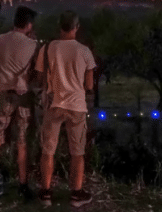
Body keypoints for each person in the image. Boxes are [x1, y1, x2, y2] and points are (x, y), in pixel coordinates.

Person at [0, 6, 39, 203]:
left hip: (2, 94)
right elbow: (34, 72)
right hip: (23, 96)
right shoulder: (33, 44)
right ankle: (23, 185)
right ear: (29, 24)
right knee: (22, 142)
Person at [35, 11, 95, 207]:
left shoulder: (47, 48)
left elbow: (41, 79)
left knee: (48, 151)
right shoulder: (85, 51)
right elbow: (89, 85)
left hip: (54, 105)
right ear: (77, 27)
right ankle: (76, 194)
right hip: (76, 106)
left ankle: (45, 193)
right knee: (77, 152)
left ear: (60, 27)